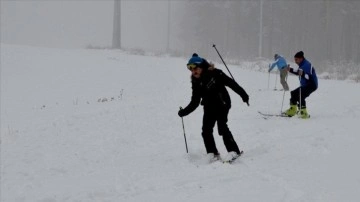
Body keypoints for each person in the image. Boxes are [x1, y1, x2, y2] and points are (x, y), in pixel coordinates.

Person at [178, 53, 249, 162]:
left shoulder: (215, 73)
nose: (193, 72)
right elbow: (195, 101)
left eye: (195, 68)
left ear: (201, 66)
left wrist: (243, 95)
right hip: (208, 105)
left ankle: (234, 151)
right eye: (190, 70)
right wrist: (184, 112)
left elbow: (231, 83)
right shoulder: (196, 81)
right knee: (206, 130)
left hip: (223, 103)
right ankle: (212, 153)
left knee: (222, 126)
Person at [284, 51, 318, 119]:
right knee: (293, 93)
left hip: (312, 84)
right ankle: (293, 110)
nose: (295, 61)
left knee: (301, 95)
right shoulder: (302, 64)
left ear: (301, 59)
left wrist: (302, 74)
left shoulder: (307, 65)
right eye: (295, 59)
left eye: (296, 59)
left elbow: (309, 77)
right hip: (305, 85)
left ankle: (303, 113)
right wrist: (290, 69)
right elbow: (298, 72)